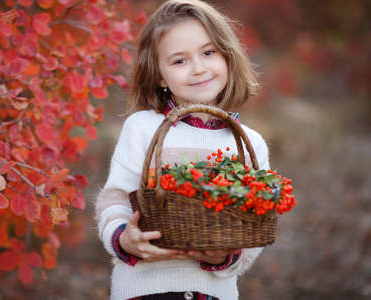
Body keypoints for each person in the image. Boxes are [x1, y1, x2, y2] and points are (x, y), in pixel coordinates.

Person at [95, 1, 270, 299]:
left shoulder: (247, 143)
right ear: (160, 75)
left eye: (208, 52)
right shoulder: (143, 128)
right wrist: (124, 238)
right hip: (143, 290)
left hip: (214, 292)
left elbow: (254, 225)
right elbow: (116, 198)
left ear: (227, 56)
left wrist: (226, 256)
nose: (198, 69)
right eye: (179, 61)